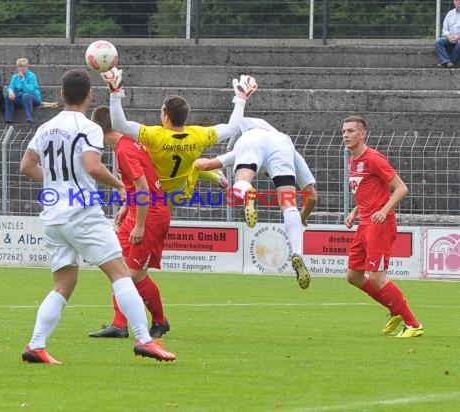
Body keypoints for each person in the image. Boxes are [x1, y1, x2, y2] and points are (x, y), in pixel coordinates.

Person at [19, 68, 176, 363]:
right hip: (81, 211)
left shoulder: (45, 128)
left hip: (53, 215)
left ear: (62, 95)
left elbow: (26, 166)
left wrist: (56, 183)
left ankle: (36, 345)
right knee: (120, 274)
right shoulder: (88, 127)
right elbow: (92, 166)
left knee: (63, 285)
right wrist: (119, 186)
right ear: (90, 95)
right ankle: (144, 339)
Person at [100, 67, 257, 204]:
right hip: (182, 193)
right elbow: (232, 128)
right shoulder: (198, 135)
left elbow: (119, 124)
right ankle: (215, 176)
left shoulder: (154, 135)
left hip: (157, 192)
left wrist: (115, 92)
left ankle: (214, 174)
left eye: (162, 110)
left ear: (166, 117)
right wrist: (241, 99)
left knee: (138, 152)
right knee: (192, 165)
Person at [194, 118, 316, 290]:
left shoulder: (247, 139)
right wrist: (301, 217)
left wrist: (189, 163)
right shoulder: (288, 147)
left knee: (239, 185)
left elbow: (206, 164)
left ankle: (247, 191)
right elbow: (312, 197)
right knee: (289, 206)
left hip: (250, 141)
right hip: (282, 145)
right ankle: (297, 251)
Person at [88, 105, 171, 339]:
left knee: (132, 275)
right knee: (118, 266)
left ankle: (155, 322)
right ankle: (121, 324)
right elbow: (139, 183)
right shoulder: (128, 142)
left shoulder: (124, 149)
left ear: (98, 129)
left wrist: (140, 225)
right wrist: (127, 207)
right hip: (137, 212)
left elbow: (144, 187)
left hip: (150, 217)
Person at [342, 115, 423, 338]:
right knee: (353, 276)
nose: (345, 136)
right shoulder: (353, 161)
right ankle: (394, 310)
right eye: (343, 132)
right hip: (364, 223)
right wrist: (355, 212)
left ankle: (413, 324)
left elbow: (401, 188)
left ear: (362, 134)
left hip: (380, 224)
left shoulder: (374, 159)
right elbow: (367, 192)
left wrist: (384, 210)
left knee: (377, 276)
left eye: (350, 131)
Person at [4, 58, 41, 124]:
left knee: (26, 96)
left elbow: (30, 90)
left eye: (23, 66)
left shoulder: (32, 76)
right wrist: (11, 91)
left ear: (27, 67)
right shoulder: (15, 77)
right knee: (8, 96)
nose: (21, 68)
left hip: (33, 97)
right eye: (20, 67)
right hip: (21, 97)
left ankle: (29, 119)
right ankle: (8, 119)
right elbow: (10, 87)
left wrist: (23, 80)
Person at [434, 0, 460, 68]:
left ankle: (447, 62)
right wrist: (449, 36)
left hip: (459, 39)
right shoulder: (450, 13)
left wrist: (458, 36)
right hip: (449, 37)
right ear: (454, 2)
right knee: (438, 42)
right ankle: (446, 62)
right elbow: (445, 28)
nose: (458, 2)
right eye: (456, 0)